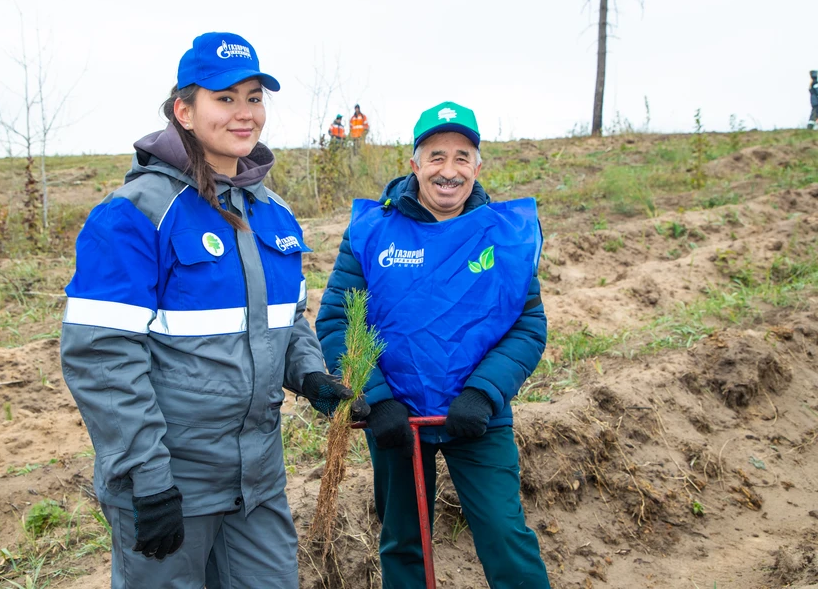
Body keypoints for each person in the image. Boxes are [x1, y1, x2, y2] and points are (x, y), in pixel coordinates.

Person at [60, 31, 362, 589]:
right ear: (184, 110)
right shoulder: (135, 213)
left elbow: (286, 320)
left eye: (253, 97)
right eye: (224, 98)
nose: (244, 113)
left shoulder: (272, 213)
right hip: (171, 479)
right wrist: (147, 478)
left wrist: (311, 374)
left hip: (258, 479)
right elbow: (101, 356)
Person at [316, 101, 551, 588]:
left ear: (478, 166)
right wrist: (378, 402)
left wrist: (484, 393)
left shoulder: (506, 238)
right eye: (436, 156)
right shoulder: (372, 232)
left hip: (478, 416)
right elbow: (339, 321)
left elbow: (527, 326)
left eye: (462, 156)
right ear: (415, 164)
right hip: (398, 419)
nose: (449, 170)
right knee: (403, 541)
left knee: (506, 537)